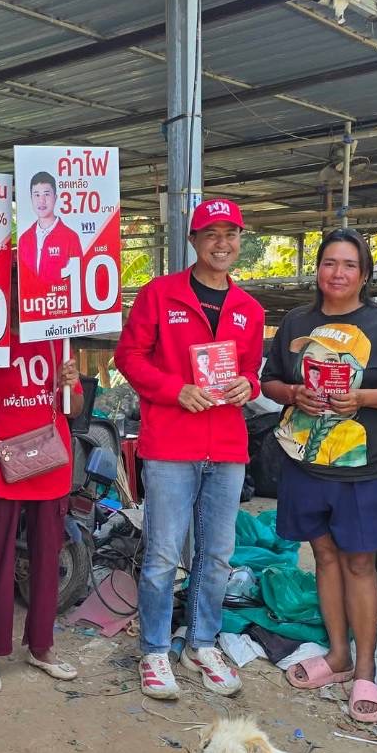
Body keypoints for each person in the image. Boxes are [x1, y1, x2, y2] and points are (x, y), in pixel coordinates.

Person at [260, 228, 377, 724]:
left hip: (365, 467)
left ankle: (365, 670)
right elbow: (270, 379)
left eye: (349, 264)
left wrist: (363, 398)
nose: (338, 273)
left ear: (365, 274)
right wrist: (294, 394)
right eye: (329, 263)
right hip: (306, 462)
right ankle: (337, 656)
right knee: (324, 556)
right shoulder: (297, 321)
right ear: (317, 270)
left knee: (359, 563)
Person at [115, 197, 264, 700]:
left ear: (240, 240)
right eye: (211, 234)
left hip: (227, 446)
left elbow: (251, 369)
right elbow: (129, 357)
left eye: (231, 234)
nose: (222, 243)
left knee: (217, 555)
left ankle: (201, 642)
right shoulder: (161, 295)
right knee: (162, 554)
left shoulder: (249, 309)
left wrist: (248, 384)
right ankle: (155, 649)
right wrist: (174, 390)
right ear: (194, 240)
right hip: (172, 444)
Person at [0, 309, 83, 694]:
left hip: (51, 469)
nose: (19, 293)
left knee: (47, 561)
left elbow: (74, 409)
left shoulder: (58, 337)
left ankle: (42, 646)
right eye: (12, 284)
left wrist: (70, 383)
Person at [17, 171, 83, 287]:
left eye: (46, 194)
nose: (41, 200)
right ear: (31, 198)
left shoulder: (70, 237)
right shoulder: (24, 239)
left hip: (61, 297)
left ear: (55, 197)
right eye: (37, 195)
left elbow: (78, 279)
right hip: (32, 298)